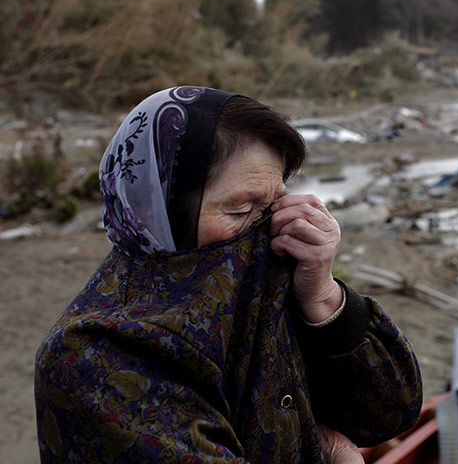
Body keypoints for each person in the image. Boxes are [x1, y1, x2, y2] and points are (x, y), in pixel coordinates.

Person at [34, 86, 423, 463]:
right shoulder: (95, 356)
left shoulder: (264, 287)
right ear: (155, 214)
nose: (267, 224)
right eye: (239, 211)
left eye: (275, 202)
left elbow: (388, 411)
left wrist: (323, 298)